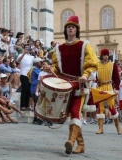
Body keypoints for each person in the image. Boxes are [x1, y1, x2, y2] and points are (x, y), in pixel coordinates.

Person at [46, 15, 98, 155]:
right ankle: (80, 144)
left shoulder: (84, 45)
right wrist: (50, 70)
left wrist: (85, 76)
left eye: (73, 26)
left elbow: (92, 64)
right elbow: (57, 69)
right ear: (65, 30)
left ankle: (70, 141)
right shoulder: (59, 49)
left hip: (79, 86)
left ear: (77, 30)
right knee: (71, 114)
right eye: (68, 26)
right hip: (64, 86)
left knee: (75, 112)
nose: (70, 28)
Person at [16, 43, 34, 111]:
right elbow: (17, 61)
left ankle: (27, 105)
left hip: (30, 75)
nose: (27, 49)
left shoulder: (32, 57)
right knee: (24, 89)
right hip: (23, 74)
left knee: (29, 90)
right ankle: (22, 105)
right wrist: (24, 53)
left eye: (28, 47)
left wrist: (34, 53)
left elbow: (35, 63)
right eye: (26, 47)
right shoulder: (21, 55)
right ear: (24, 48)